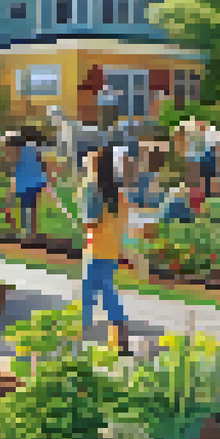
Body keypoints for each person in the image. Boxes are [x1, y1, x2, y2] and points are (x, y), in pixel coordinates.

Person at [84, 146, 132, 356]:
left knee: (99, 292)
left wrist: (86, 223)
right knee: (96, 289)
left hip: (97, 248)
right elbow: (122, 223)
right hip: (112, 249)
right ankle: (117, 339)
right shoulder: (120, 194)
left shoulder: (94, 190)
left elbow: (91, 220)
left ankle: (119, 338)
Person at [10, 128, 50, 240]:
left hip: (24, 183)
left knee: (24, 207)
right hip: (35, 182)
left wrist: (13, 180)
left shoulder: (20, 150)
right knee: (32, 207)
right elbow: (43, 164)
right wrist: (45, 179)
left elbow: (16, 164)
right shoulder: (37, 149)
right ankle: (32, 232)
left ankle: (25, 232)